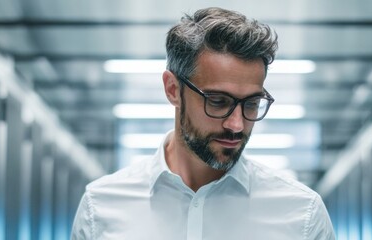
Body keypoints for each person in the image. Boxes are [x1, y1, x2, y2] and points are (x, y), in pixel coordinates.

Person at [71, 7, 335, 240]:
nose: (236, 125)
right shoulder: (101, 209)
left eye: (251, 103)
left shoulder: (302, 215)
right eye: (218, 101)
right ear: (173, 89)